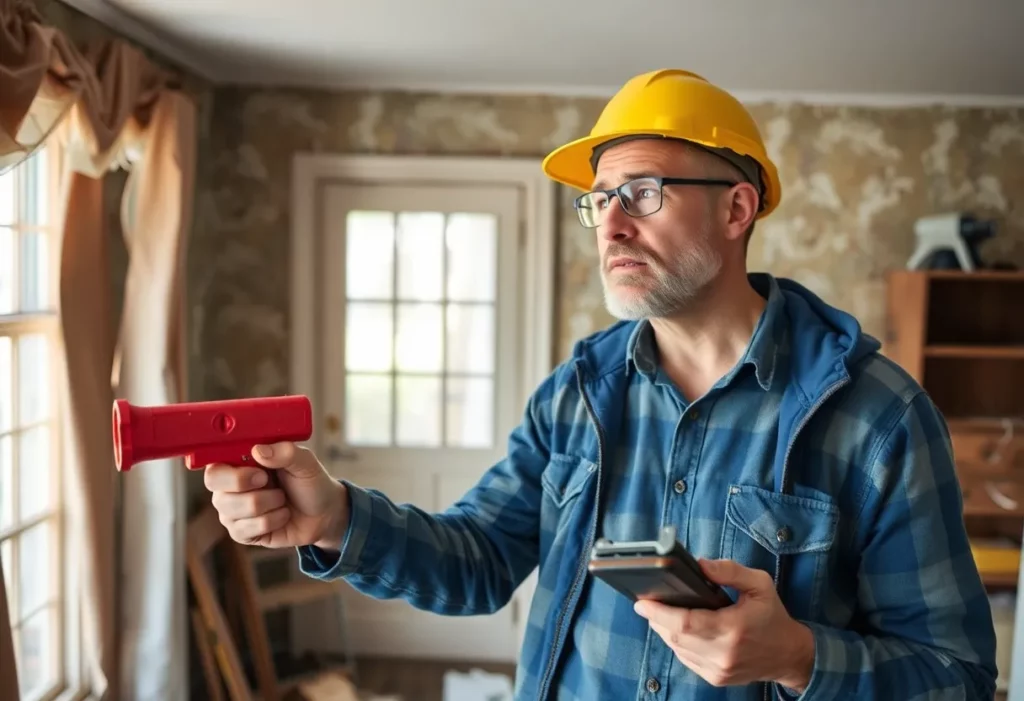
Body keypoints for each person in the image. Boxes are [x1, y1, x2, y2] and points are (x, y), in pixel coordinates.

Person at [204, 69, 998, 700]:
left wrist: (799, 657)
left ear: (736, 209)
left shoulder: (879, 416)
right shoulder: (576, 393)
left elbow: (956, 675)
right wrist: (334, 517)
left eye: (644, 193)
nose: (612, 225)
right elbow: (478, 559)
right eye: (600, 200)